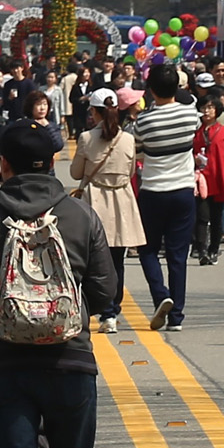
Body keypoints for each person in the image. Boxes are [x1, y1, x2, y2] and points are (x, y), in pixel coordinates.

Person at [0, 121, 115, 448]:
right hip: (70, 361)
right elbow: (105, 291)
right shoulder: (82, 216)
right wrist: (61, 315)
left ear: (4, 164)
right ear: (52, 161)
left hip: (4, 363)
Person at [69, 87, 142, 332]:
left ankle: (102, 308)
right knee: (117, 260)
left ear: (95, 112)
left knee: (93, 260)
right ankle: (113, 309)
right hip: (121, 198)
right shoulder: (128, 138)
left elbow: (76, 173)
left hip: (95, 198)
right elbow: (131, 171)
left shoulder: (87, 138)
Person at [132, 64, 198, 329]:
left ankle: (161, 295)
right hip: (183, 191)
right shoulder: (190, 115)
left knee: (147, 250)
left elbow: (137, 152)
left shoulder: (144, 121)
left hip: (153, 192)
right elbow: (192, 120)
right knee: (178, 255)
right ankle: (177, 317)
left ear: (150, 90)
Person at [193, 91, 224, 264]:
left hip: (220, 179)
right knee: (202, 217)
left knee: (217, 218)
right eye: (204, 107)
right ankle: (202, 249)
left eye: (210, 107)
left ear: (217, 110)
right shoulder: (196, 133)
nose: (206, 111)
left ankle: (214, 248)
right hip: (202, 180)